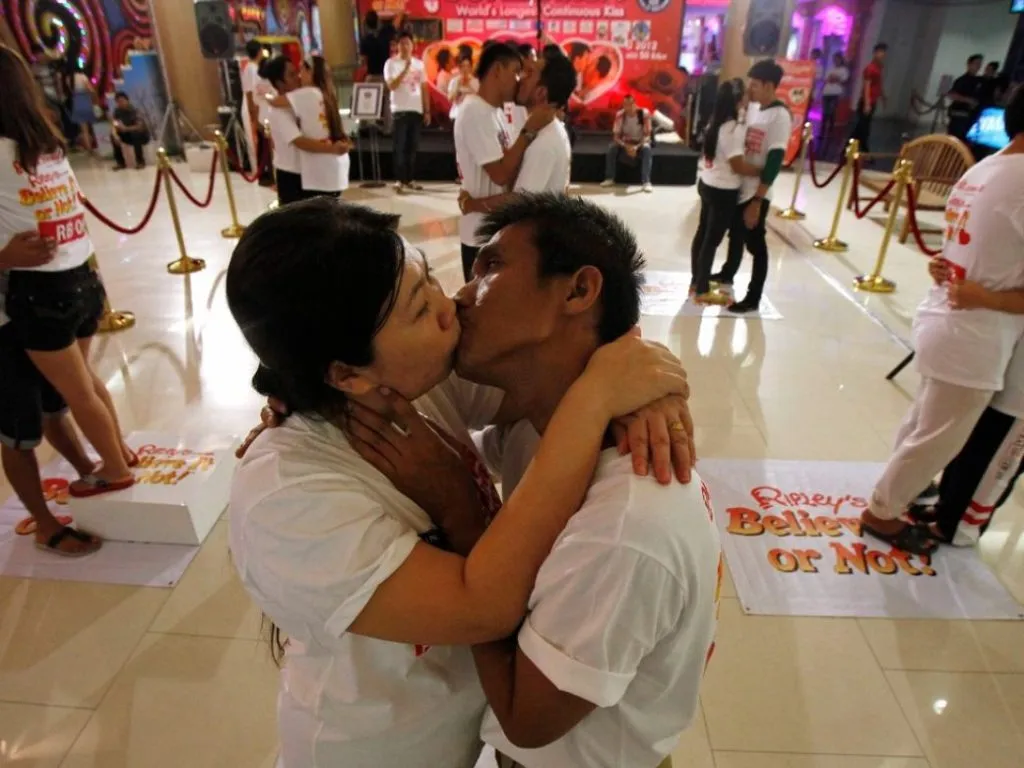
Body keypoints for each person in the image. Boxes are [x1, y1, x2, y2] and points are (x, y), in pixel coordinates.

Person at [225, 197, 693, 768]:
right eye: (420, 310)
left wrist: (641, 380)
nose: (451, 305)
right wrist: (598, 397)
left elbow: (550, 367)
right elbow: (484, 606)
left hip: (461, 740)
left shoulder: (416, 381)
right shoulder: (287, 495)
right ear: (346, 375)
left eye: (429, 279)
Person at [444, 194, 720, 768]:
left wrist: (460, 519)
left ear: (578, 290)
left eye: (491, 266)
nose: (461, 296)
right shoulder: (540, 427)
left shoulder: (626, 523)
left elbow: (527, 722)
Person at [860, 84, 1024, 555]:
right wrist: (988, 297)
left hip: (946, 320)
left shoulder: (985, 169)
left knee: (923, 423)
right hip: (976, 332)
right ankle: (883, 511)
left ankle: (901, 491)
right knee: (939, 436)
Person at [0, 45, 135, 500]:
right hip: (82, 279)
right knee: (87, 382)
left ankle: (114, 468)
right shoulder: (49, 147)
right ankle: (119, 450)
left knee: (76, 392)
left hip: (40, 289)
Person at [908, 258, 1024, 547]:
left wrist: (990, 298)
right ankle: (947, 506)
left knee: (998, 445)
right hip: (1001, 346)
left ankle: (958, 527)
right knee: (970, 435)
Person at [0, 232, 103, 555]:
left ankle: (88, 471)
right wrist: (5, 259)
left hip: (37, 306)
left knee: (54, 403)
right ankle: (45, 524)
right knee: (18, 429)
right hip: (6, 325)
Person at [454, 43, 555, 281]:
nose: (518, 80)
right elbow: (500, 174)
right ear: (497, 70)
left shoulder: (495, 113)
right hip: (479, 234)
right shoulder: (475, 112)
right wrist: (528, 132)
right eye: (515, 71)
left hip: (493, 229)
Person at [710, 59, 791, 314]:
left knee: (756, 245)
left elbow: (775, 160)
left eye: (755, 85)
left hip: (756, 192)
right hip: (741, 186)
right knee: (735, 235)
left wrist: (758, 200)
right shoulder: (755, 109)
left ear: (769, 86)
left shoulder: (780, 116)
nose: (750, 89)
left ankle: (753, 296)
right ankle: (728, 273)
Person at [459, 51, 575, 213]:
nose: (520, 79)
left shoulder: (544, 141)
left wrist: (469, 204)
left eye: (529, 73)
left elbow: (519, 202)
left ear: (541, 93)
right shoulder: (542, 130)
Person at [689, 79, 758, 305]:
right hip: (723, 190)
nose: (748, 97)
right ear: (737, 100)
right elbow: (737, 166)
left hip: (707, 183)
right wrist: (761, 171)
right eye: (744, 94)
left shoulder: (715, 122)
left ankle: (696, 281)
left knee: (702, 234)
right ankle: (701, 290)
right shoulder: (732, 129)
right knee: (712, 239)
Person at [261, 55, 349, 205]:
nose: (298, 77)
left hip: (310, 173)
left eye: (298, 71)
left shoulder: (306, 98)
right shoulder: (281, 110)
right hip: (292, 174)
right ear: (280, 83)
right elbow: (299, 141)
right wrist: (332, 149)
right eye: (292, 75)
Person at [384, 31, 431, 193]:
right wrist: (405, 69)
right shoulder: (391, 63)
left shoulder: (419, 64)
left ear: (413, 46)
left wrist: (427, 110)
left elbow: (424, 88)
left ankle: (410, 179)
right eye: (401, 43)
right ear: (397, 46)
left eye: (407, 43)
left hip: (416, 109)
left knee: (412, 146)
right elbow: (391, 86)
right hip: (399, 109)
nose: (404, 46)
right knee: (400, 146)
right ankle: (399, 180)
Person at [601, 94, 654, 192]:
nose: (628, 107)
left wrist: (636, 147)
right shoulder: (620, 115)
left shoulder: (644, 114)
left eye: (630, 104)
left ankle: (646, 181)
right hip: (625, 142)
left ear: (635, 104)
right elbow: (616, 137)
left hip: (640, 142)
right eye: (625, 104)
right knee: (612, 148)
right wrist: (625, 146)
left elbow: (647, 136)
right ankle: (609, 178)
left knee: (647, 149)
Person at [241, 40, 275, 186]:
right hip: (255, 107)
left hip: (261, 107)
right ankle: (261, 172)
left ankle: (267, 172)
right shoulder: (250, 69)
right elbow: (250, 93)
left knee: (264, 142)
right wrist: (253, 115)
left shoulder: (257, 68)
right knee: (259, 140)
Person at [360, 11, 396, 132]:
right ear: (378, 22)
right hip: (385, 76)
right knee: (388, 102)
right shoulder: (385, 35)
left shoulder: (365, 40)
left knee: (366, 99)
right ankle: (387, 128)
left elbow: (364, 61)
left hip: (372, 75)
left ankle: (364, 125)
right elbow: (397, 17)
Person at [850, 42, 887, 153]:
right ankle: (863, 150)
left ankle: (854, 148)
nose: (882, 55)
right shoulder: (870, 68)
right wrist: (867, 103)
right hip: (867, 101)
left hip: (873, 101)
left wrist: (883, 96)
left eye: (884, 52)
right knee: (863, 127)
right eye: (880, 52)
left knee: (862, 127)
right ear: (875, 53)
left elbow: (878, 84)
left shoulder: (879, 68)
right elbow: (867, 86)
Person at [947, 54, 984, 143]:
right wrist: (968, 100)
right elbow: (952, 95)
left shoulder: (979, 80)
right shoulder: (962, 80)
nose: (978, 66)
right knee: (955, 140)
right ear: (969, 64)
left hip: (971, 116)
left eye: (980, 64)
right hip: (960, 114)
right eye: (976, 63)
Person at [110, 91, 149, 170]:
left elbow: (139, 126)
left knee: (136, 134)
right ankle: (120, 163)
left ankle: (140, 162)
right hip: (127, 135)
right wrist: (115, 135)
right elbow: (114, 124)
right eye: (118, 102)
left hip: (141, 135)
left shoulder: (135, 110)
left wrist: (126, 128)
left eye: (122, 101)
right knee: (113, 136)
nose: (120, 103)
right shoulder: (117, 112)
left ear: (127, 100)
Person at [820, 52, 849, 142]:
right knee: (825, 112)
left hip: (835, 93)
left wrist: (836, 79)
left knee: (832, 112)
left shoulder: (844, 70)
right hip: (826, 92)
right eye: (834, 59)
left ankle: (830, 132)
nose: (836, 61)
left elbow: (845, 81)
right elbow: (826, 80)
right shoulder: (830, 69)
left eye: (837, 59)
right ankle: (822, 131)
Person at [69, 64, 97, 153]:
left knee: (83, 128)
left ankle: (88, 148)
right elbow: (91, 90)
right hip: (85, 99)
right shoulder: (82, 76)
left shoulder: (69, 78)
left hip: (76, 101)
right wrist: (94, 97)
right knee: (93, 125)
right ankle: (97, 144)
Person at [447, 55, 478, 123]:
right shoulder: (454, 81)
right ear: (459, 67)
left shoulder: (476, 82)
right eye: (463, 66)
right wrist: (457, 86)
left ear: (471, 67)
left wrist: (469, 86)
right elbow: (450, 99)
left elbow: (479, 99)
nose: (465, 69)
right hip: (457, 115)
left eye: (468, 66)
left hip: (471, 116)